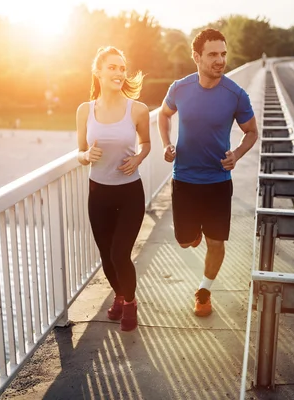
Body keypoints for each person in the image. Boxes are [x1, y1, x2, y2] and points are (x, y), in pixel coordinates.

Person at [157, 28, 258, 317]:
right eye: (213, 54)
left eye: (223, 54)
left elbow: (251, 132)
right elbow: (164, 114)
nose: (220, 60)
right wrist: (166, 144)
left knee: (216, 242)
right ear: (197, 57)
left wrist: (236, 154)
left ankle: (204, 291)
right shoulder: (179, 88)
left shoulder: (236, 94)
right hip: (185, 180)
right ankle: (193, 234)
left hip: (217, 182)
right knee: (185, 240)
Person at [76, 46, 151, 332]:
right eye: (112, 67)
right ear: (98, 72)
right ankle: (119, 296)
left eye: (122, 68)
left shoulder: (138, 109)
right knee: (106, 255)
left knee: (120, 254)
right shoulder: (85, 110)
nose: (119, 73)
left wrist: (139, 157)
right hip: (99, 194)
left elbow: (146, 143)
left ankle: (130, 302)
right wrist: (86, 157)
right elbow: (80, 152)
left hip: (130, 192)